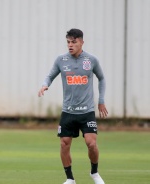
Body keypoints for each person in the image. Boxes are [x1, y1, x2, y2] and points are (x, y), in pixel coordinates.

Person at [38, 28, 108, 184]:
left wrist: (101, 100)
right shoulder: (61, 60)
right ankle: (70, 179)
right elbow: (50, 76)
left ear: (82, 42)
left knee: (91, 143)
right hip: (68, 111)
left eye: (74, 42)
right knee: (64, 144)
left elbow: (102, 79)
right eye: (68, 42)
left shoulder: (91, 60)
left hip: (87, 111)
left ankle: (94, 173)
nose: (70, 45)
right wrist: (44, 85)